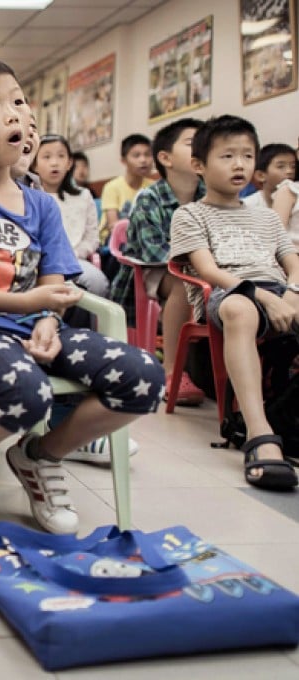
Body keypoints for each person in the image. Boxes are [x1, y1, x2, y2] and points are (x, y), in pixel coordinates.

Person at [0, 57, 164, 541]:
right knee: (25, 390)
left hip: (37, 326)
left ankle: (40, 455)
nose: (14, 114)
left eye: (19, 101)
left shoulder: (41, 204)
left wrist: (45, 317)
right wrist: (25, 306)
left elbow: (56, 282)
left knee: (144, 378)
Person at [169, 114, 299, 490]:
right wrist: (260, 296)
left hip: (278, 289)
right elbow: (209, 271)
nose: (240, 164)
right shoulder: (190, 214)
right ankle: (259, 434)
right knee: (239, 309)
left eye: (247, 155)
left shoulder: (268, 219)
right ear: (199, 165)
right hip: (228, 293)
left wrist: (291, 293)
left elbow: (292, 263)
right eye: (227, 156)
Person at [110, 118, 206, 406]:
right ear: (165, 158)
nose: (202, 148)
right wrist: (202, 264)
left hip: (206, 270)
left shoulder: (208, 195)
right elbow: (156, 254)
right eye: (192, 143)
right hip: (154, 272)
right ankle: (172, 371)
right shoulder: (149, 197)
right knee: (183, 282)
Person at [32, 134, 107, 298]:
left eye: (61, 156)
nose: (54, 162)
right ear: (35, 164)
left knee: (98, 282)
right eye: (46, 156)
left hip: (74, 259)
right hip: (38, 262)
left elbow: (92, 238)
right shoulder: (30, 197)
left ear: (69, 163)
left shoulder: (84, 196)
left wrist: (73, 255)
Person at [99, 133, 155, 244]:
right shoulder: (112, 187)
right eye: (136, 155)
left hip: (144, 238)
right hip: (113, 241)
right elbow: (113, 225)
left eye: (148, 154)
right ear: (123, 161)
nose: (143, 160)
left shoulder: (154, 187)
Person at [242, 143, 295, 209]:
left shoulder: (296, 201)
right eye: (281, 166)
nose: (290, 171)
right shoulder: (247, 206)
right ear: (260, 176)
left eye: (293, 166)